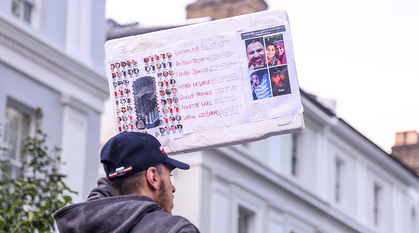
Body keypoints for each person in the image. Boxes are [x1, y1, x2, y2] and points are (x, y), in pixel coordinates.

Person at [53, 132, 200, 232]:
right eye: (170, 175)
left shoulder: (82, 225)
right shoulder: (176, 229)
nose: (172, 188)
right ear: (153, 177)